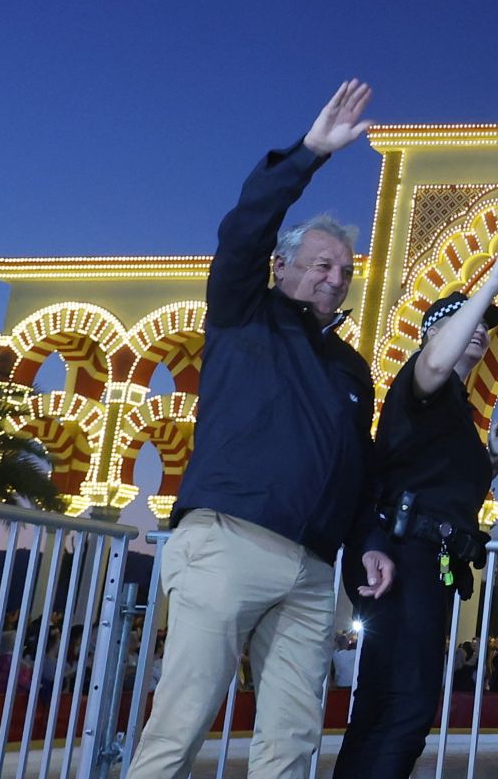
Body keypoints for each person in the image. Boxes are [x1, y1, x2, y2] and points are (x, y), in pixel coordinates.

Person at [128, 80, 395, 779]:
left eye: (345, 270)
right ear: (281, 266)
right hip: (228, 543)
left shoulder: (351, 368)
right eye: (321, 264)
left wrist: (368, 540)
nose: (334, 278)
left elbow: (357, 466)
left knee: (293, 739)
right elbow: (244, 227)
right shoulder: (244, 310)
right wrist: (310, 153)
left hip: (311, 571)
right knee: (181, 721)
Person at [333, 237, 498, 778]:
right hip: (408, 555)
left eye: (483, 325)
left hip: (430, 559)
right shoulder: (420, 380)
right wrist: (491, 285)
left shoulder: (457, 410)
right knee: (408, 705)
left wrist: (492, 466)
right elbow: (435, 362)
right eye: (464, 322)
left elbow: (438, 483)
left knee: (382, 701)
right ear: (429, 337)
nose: (480, 330)